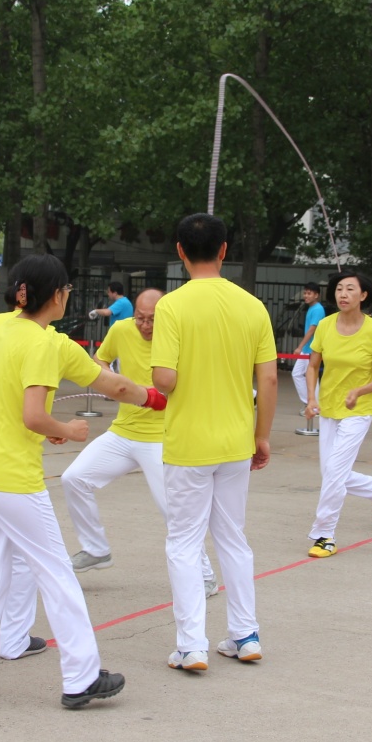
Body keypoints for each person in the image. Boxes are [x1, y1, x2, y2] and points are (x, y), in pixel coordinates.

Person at [0, 255, 151, 712]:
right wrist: (68, 429)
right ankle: (82, 677)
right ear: (58, 295)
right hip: (10, 477)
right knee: (57, 574)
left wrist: (146, 398)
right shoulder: (44, 343)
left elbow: (101, 386)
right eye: (66, 290)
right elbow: (33, 415)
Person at [151, 213, 276, 671]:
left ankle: (191, 644)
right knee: (233, 539)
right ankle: (245, 634)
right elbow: (268, 380)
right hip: (236, 442)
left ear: (180, 252)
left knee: (184, 543)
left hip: (189, 444)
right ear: (224, 251)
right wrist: (261, 436)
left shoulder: (172, 306)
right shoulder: (252, 306)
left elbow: (165, 378)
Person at [61, 288, 218, 592]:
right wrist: (113, 381)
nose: (145, 326)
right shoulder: (121, 330)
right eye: (139, 319)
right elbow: (99, 360)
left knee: (173, 510)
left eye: (152, 320)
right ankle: (95, 549)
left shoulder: (181, 336)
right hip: (123, 431)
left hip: (163, 437)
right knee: (73, 479)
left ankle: (205, 575)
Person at [303, 271, 372, 551]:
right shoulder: (325, 325)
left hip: (358, 411)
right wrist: (311, 398)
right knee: (331, 472)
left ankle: (325, 535)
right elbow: (312, 366)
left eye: (350, 289)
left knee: (334, 473)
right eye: (340, 289)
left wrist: (359, 391)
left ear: (363, 295)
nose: (343, 294)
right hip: (328, 408)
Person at [290, 281, 325, 408]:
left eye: (309, 293)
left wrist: (299, 347)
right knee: (297, 374)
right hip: (307, 349)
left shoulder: (318, 309)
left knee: (312, 377)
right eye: (305, 293)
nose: (306, 295)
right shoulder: (312, 308)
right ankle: (310, 403)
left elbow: (312, 329)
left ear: (316, 295)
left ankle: (313, 406)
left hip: (312, 349)